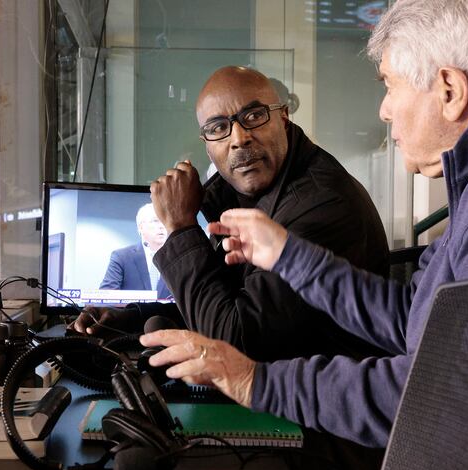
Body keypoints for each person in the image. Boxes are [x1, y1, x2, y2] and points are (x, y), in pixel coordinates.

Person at [141, 0, 468, 470]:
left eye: (389, 85)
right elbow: (413, 318)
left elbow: (442, 396)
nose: (384, 109)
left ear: (450, 90)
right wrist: (289, 254)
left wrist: (254, 381)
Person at [72, 66, 390, 365]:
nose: (238, 138)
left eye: (254, 115)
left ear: (284, 118)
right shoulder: (247, 192)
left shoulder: (320, 205)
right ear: (207, 145)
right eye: (219, 128)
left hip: (321, 411)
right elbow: (223, 301)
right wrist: (132, 317)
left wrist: (181, 229)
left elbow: (234, 340)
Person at [99, 203, 172, 299]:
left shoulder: (179, 258)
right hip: (131, 313)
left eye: (164, 221)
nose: (162, 226)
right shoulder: (122, 257)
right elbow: (106, 295)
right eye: (155, 221)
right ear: (141, 227)